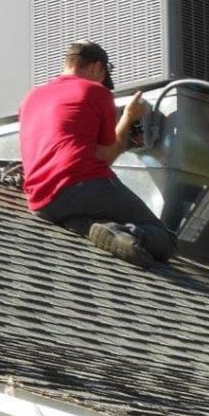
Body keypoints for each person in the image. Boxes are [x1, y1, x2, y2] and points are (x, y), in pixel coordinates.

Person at [19, 40, 176, 268]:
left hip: (42, 202)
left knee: (79, 211)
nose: (103, 83)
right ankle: (129, 234)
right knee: (166, 240)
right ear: (96, 67)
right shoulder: (95, 91)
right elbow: (106, 157)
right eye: (103, 76)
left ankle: (93, 228)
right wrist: (128, 117)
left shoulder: (31, 98)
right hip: (84, 186)